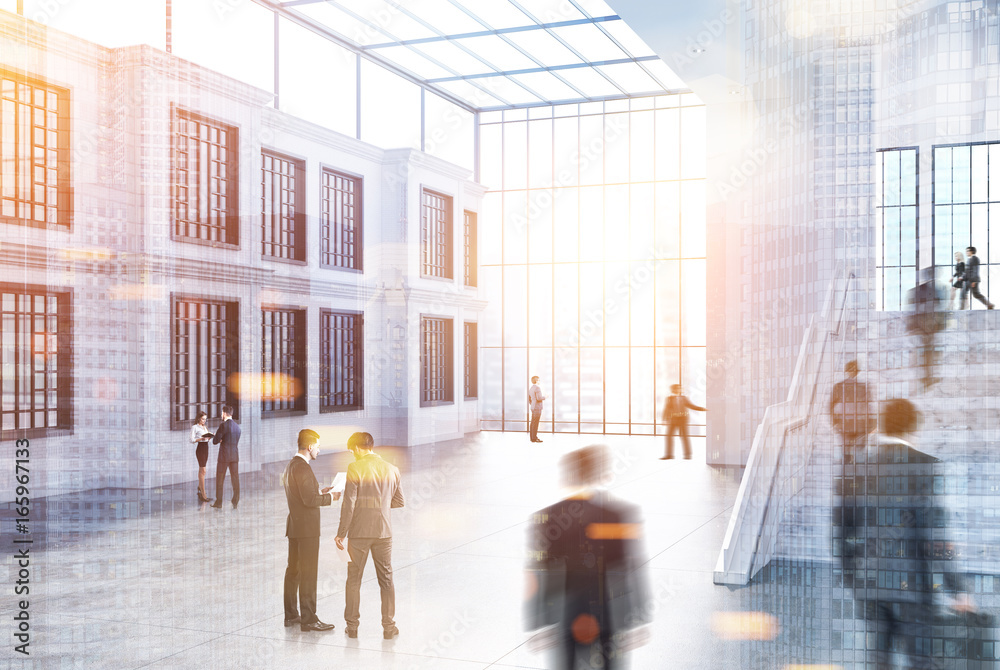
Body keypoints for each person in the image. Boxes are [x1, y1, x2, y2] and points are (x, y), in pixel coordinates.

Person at [840, 399, 977, 668]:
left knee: (879, 660)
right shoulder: (925, 466)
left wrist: (853, 577)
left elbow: (844, 529)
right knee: (921, 661)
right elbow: (934, 534)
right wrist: (957, 588)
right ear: (914, 428)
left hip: (870, 586)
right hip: (914, 590)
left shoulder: (860, 466)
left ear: (882, 425)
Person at [524, 445, 651, 670]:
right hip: (608, 613)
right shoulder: (617, 515)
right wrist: (638, 616)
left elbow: (538, 573)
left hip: (567, 613)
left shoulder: (551, 517)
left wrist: (539, 619)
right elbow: (630, 568)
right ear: (598, 473)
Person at [335, 432, 404, 639]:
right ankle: (389, 627)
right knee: (387, 579)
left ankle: (353, 626)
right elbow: (399, 501)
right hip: (384, 532)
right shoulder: (392, 469)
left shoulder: (355, 468)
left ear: (357, 448)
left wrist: (341, 533)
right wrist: (380, 506)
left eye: (351, 451)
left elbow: (349, 504)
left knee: (354, 579)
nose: (352, 455)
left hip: (359, 534)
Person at [283, 429, 340, 632]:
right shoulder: (304, 468)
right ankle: (309, 619)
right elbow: (309, 500)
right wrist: (330, 498)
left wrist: (320, 490)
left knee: (294, 572)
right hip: (307, 529)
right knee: (308, 573)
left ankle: (291, 615)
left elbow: (303, 494)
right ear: (309, 447)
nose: (319, 449)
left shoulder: (292, 465)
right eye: (317, 446)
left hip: (295, 527)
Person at [828, 360, 870, 455]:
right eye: (850, 370)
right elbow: (831, 405)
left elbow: (867, 407)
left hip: (853, 425)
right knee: (854, 454)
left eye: (853, 371)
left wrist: (835, 423)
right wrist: (835, 423)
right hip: (849, 425)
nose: (852, 373)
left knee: (851, 453)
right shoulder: (840, 386)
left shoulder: (862, 387)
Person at [659, 384, 706, 460]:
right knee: (668, 436)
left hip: (683, 419)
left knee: (684, 437)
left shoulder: (684, 398)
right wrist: (664, 419)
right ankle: (669, 455)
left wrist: (702, 409)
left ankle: (688, 455)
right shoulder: (669, 398)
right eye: (678, 389)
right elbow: (666, 409)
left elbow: (691, 406)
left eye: (680, 388)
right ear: (673, 390)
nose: (680, 390)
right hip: (673, 419)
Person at [211, 405, 241, 509]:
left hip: (224, 457)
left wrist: (218, 438)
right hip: (234, 456)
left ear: (224, 413)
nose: (221, 415)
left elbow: (215, 441)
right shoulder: (238, 427)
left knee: (220, 479)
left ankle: (219, 502)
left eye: (221, 413)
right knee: (235, 479)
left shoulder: (223, 426)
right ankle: (235, 501)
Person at [189, 411, 213, 503]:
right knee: (203, 470)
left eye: (205, 419)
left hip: (206, 448)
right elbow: (191, 440)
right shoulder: (195, 427)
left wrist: (209, 438)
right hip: (200, 449)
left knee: (202, 470)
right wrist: (201, 439)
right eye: (203, 419)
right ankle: (203, 493)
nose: (204, 421)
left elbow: (207, 440)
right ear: (199, 418)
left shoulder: (205, 427)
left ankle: (200, 487)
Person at [528, 376, 546, 443]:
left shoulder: (531, 388)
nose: (539, 381)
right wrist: (545, 397)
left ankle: (532, 438)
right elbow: (539, 398)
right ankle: (534, 438)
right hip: (537, 408)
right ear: (536, 381)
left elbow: (529, 399)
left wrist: (532, 404)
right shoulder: (537, 388)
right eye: (538, 380)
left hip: (533, 407)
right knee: (535, 423)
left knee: (533, 423)